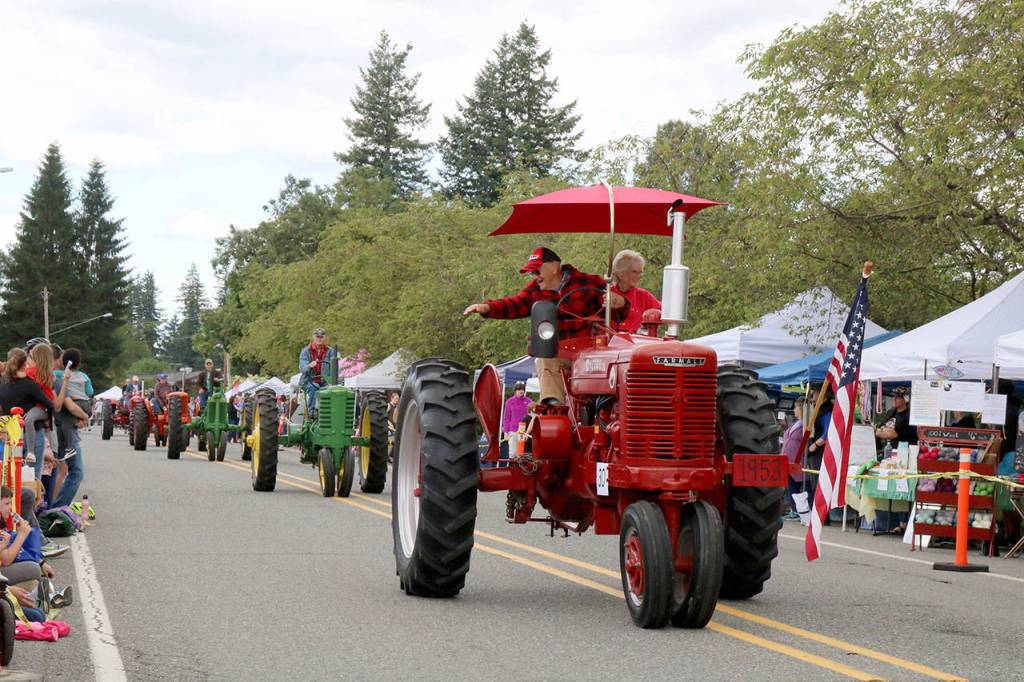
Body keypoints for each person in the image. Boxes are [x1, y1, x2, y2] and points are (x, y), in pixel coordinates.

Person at [463, 247, 627, 404]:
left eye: (536, 271)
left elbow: (616, 311)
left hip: (592, 352)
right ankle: (552, 406)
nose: (534, 276)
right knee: (545, 357)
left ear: (554, 267)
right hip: (560, 353)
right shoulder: (534, 291)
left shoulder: (590, 282)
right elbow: (514, 304)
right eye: (531, 273)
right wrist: (488, 308)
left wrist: (620, 303)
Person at [610, 249, 661, 334]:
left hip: (637, 344)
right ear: (620, 274)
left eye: (640, 272)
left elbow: (665, 313)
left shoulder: (644, 296)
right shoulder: (607, 294)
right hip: (611, 343)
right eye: (634, 272)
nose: (639, 276)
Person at [781, 396, 807, 520]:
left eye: (796, 408)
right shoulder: (796, 423)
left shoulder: (805, 424)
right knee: (790, 486)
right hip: (788, 460)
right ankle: (793, 509)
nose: (794, 410)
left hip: (798, 460)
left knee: (796, 487)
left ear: (801, 409)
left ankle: (798, 510)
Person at [298, 329, 334, 414]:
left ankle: (330, 413)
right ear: (313, 337)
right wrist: (310, 365)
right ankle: (312, 413)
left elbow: (334, 366)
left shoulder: (330, 351)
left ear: (324, 338)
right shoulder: (306, 351)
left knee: (333, 390)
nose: (319, 339)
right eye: (317, 336)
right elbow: (303, 369)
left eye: (321, 337)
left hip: (325, 381)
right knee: (314, 387)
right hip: (308, 381)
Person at [502, 382, 531, 459]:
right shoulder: (509, 402)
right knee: (512, 452)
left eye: (522, 389)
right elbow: (506, 418)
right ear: (515, 391)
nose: (521, 391)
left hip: (523, 431)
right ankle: (511, 467)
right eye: (519, 389)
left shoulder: (528, 401)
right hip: (513, 430)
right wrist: (505, 432)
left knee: (521, 453)